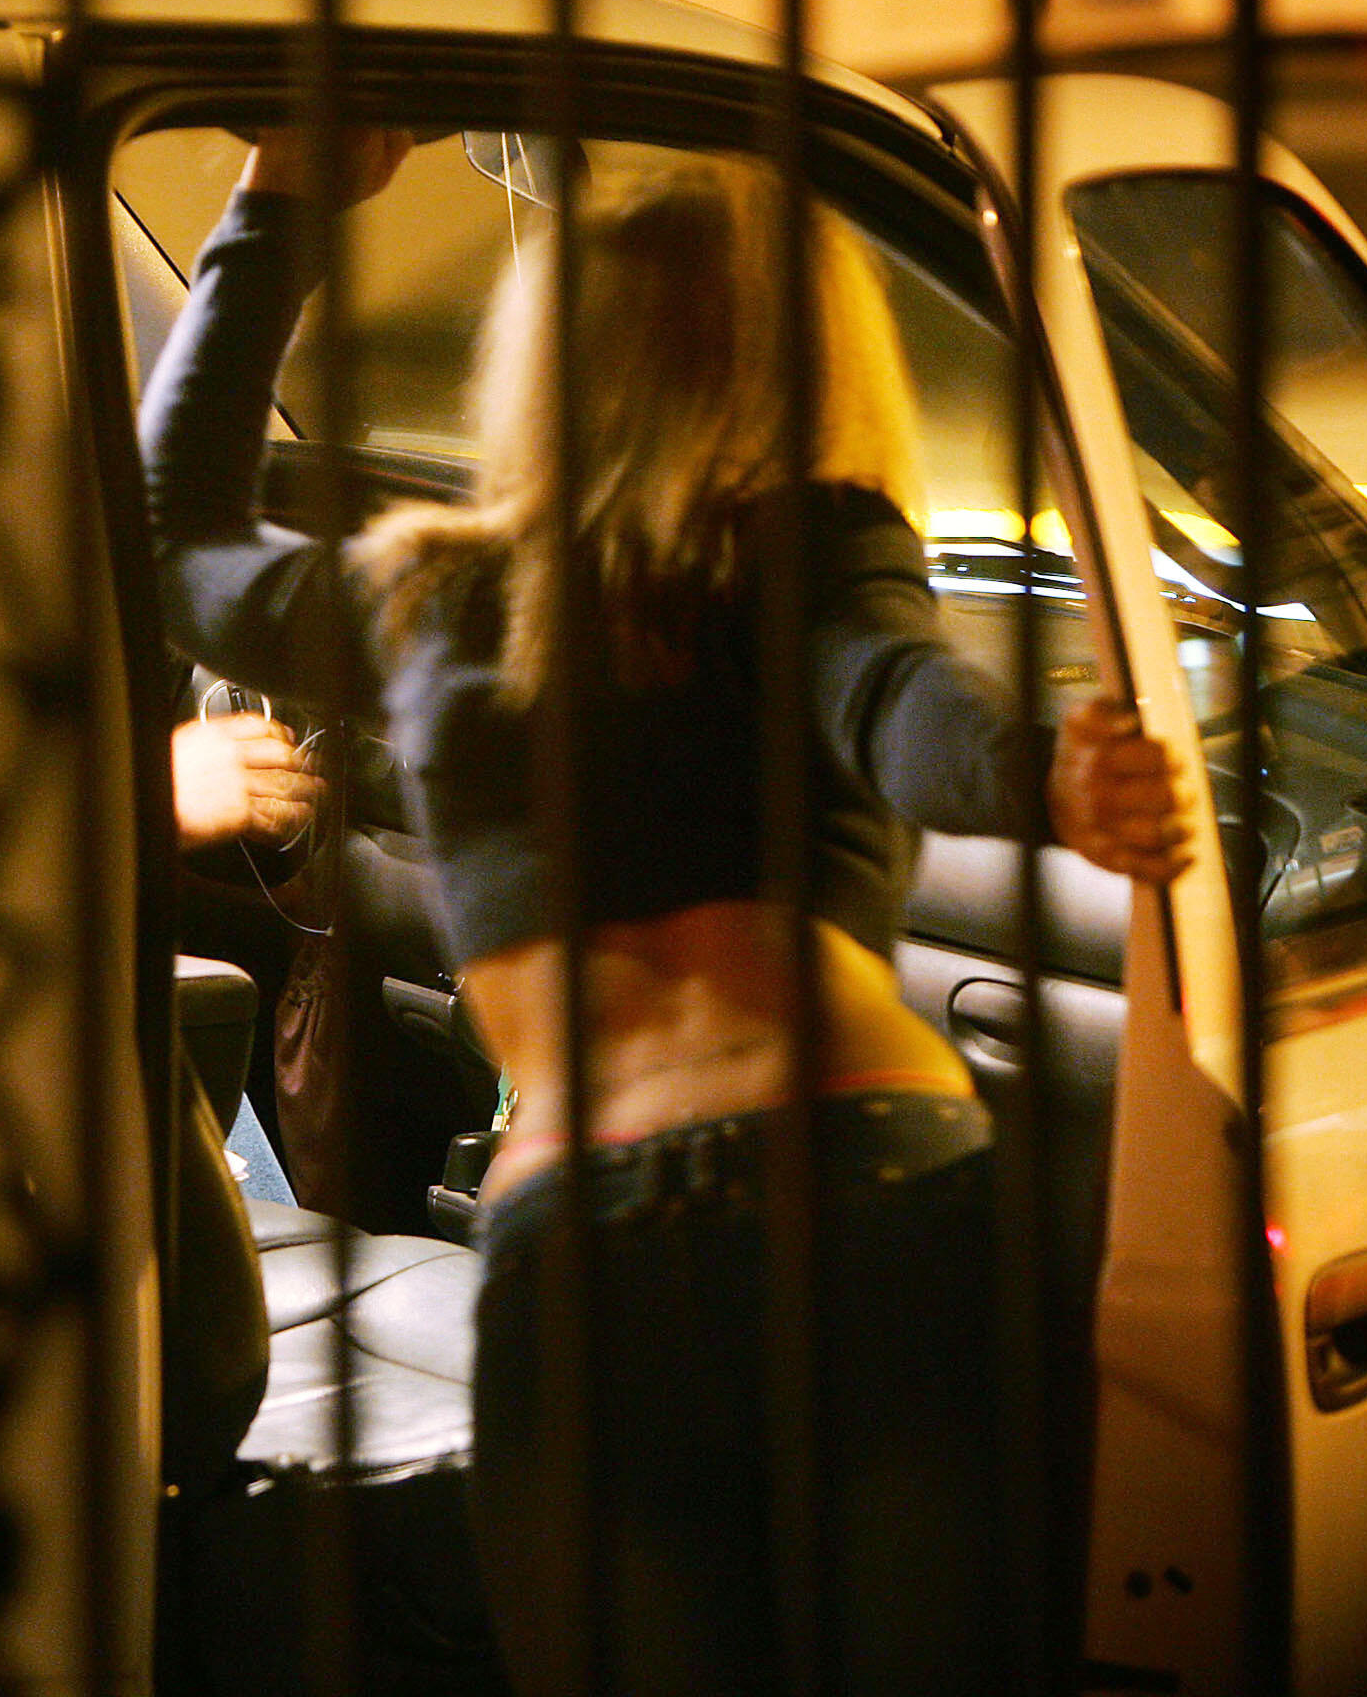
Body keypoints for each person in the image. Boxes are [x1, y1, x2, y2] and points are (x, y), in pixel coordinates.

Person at [138, 129, 1190, 1695]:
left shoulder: (430, 592)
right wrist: (1044, 779)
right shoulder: (822, 549)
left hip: (595, 1244)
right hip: (873, 1189)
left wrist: (279, 204)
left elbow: (184, 540)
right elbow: (900, 703)